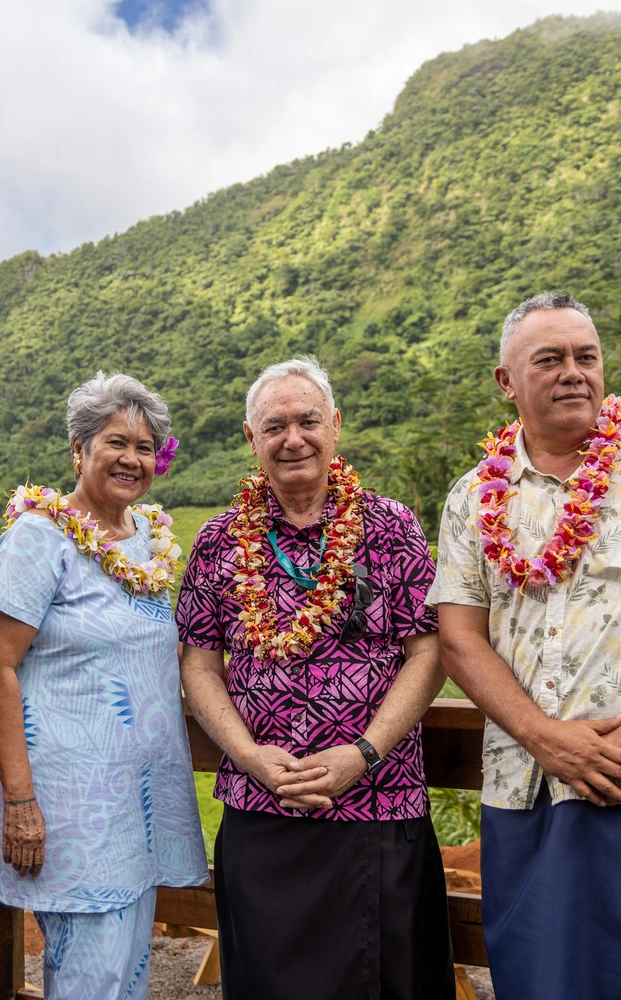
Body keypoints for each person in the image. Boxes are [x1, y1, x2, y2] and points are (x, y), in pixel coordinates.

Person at [430, 292, 621, 1000]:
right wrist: (546, 739)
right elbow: (458, 639)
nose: (573, 372)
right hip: (527, 788)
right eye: (549, 359)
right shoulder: (471, 497)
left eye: (586, 356)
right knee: (537, 982)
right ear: (507, 382)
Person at [177, 356, 454, 1000]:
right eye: (274, 426)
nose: (292, 438)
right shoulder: (218, 541)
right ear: (252, 439)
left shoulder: (391, 528)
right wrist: (248, 757)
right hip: (260, 807)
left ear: (335, 425)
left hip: (378, 801)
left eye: (307, 421)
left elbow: (431, 651)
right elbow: (198, 662)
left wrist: (363, 752)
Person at [0, 372, 207, 1000]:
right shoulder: (37, 539)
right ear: (78, 451)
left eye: (145, 446)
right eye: (115, 442)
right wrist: (20, 803)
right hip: (70, 805)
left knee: (128, 967)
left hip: (141, 803)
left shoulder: (151, 539)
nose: (132, 458)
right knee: (91, 976)